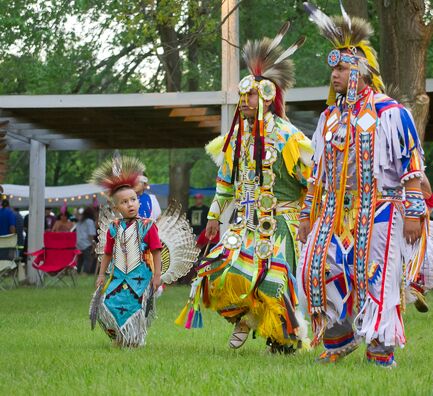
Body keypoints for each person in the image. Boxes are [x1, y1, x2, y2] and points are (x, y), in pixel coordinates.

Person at [298, 2, 433, 367]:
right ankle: (339, 336)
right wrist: (308, 213)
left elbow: (411, 166)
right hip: (335, 211)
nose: (334, 75)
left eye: (341, 68)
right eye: (333, 69)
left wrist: (415, 212)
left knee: (378, 279)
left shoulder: (391, 113)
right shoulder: (329, 118)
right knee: (315, 269)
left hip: (382, 209)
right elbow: (317, 172)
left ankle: (380, 347)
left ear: (362, 72)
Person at [177, 24, 312, 353]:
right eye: (243, 94)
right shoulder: (237, 137)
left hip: (282, 223)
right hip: (246, 221)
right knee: (223, 273)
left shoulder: (290, 138)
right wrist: (214, 215)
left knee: (274, 281)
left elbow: (313, 182)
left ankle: (278, 339)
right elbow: (225, 181)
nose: (245, 100)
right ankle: (250, 319)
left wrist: (309, 217)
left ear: (268, 96)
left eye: (251, 94)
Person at [90, 154, 162, 347]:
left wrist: (157, 275)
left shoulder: (148, 225)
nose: (130, 204)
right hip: (118, 274)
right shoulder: (113, 227)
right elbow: (106, 253)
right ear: (116, 207)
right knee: (108, 304)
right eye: (124, 202)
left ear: (138, 202)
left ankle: (134, 338)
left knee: (136, 306)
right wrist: (101, 275)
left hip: (141, 275)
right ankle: (120, 335)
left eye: (133, 200)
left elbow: (156, 251)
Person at [76, 207, 97, 274]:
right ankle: (85, 273)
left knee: (80, 260)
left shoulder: (80, 221)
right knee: (87, 259)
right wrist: (93, 244)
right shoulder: (90, 221)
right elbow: (91, 234)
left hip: (78, 243)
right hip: (87, 243)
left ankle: (77, 272)